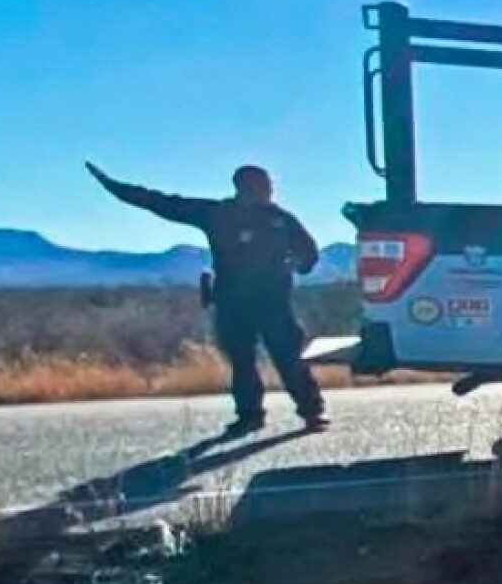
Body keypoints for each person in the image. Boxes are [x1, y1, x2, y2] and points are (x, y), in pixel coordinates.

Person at [86, 160, 329, 436]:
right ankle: (249, 416)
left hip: (272, 300)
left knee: (287, 357)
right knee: (242, 361)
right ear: (245, 187)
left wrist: (296, 263)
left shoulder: (281, 219)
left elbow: (309, 253)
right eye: (264, 185)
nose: (269, 190)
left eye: (269, 185)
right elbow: (162, 203)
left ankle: (311, 411)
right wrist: (112, 186)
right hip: (232, 301)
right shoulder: (217, 213)